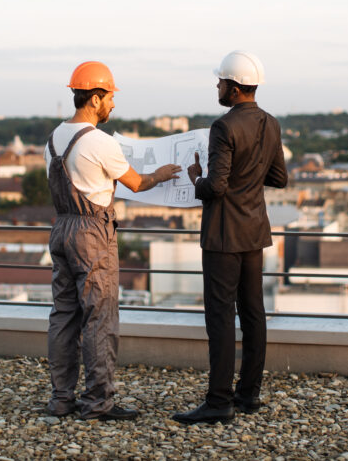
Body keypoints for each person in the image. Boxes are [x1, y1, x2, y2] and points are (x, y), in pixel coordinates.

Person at [45, 61, 180, 421]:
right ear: (94, 97)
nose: (113, 105)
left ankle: (61, 399)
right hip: (92, 234)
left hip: (61, 230)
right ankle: (97, 402)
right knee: (99, 319)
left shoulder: (53, 139)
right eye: (109, 97)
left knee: (63, 316)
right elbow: (137, 184)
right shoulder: (99, 142)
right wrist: (163, 173)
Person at [172, 50, 288, 425]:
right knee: (253, 313)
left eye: (220, 82)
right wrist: (248, 179)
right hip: (255, 232)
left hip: (223, 236)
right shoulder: (271, 124)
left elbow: (215, 188)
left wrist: (194, 177)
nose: (217, 87)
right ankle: (248, 394)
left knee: (220, 317)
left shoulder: (223, 127)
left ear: (234, 88)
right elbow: (279, 178)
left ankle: (219, 400)